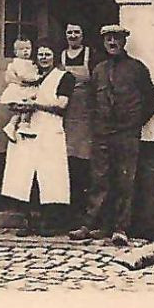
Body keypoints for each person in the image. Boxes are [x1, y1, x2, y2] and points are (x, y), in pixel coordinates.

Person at [69, 25, 154, 248]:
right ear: (103, 42)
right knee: (99, 179)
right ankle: (90, 225)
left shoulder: (137, 69)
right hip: (102, 134)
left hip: (126, 134)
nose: (112, 43)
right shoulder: (98, 69)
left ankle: (121, 228)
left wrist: (134, 123)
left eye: (116, 39)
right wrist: (97, 124)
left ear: (123, 42)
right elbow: (91, 100)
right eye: (108, 39)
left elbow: (152, 101)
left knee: (124, 180)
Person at [0, 45, 75, 235]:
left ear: (54, 56)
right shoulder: (30, 76)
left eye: (48, 54)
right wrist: (18, 106)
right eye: (40, 54)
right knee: (24, 175)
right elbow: (15, 97)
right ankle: (28, 221)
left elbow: (61, 105)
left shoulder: (64, 77)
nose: (43, 57)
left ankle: (49, 223)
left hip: (50, 129)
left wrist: (36, 105)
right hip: (27, 129)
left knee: (51, 176)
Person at [56, 23, 97, 214]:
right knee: (68, 158)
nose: (73, 36)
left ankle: (86, 210)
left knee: (85, 159)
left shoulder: (91, 55)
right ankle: (70, 210)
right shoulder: (61, 56)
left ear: (82, 35)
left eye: (76, 32)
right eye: (69, 32)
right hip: (67, 112)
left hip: (86, 112)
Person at [0, 37, 42, 143]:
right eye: (22, 49)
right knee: (26, 107)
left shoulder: (28, 62)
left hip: (24, 89)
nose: (26, 51)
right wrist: (37, 78)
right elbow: (23, 76)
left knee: (20, 112)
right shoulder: (19, 63)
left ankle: (12, 126)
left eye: (28, 48)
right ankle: (23, 125)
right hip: (21, 90)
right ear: (16, 52)